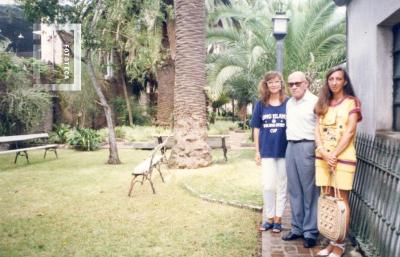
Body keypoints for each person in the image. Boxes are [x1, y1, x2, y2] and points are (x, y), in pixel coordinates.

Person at [314, 67, 362, 257]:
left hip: (343, 158)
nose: (334, 82)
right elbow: (316, 130)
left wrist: (333, 154)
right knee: (327, 199)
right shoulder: (323, 103)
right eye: (331, 79)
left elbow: (350, 131)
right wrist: (324, 153)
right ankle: (330, 241)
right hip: (324, 158)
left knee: (341, 200)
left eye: (338, 79)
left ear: (345, 82)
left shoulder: (352, 103)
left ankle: (339, 245)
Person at [282, 71, 319, 248]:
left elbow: (321, 127)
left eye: (297, 83)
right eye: (291, 84)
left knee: (309, 191)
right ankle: (297, 228)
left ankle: (310, 231)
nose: (294, 87)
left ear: (306, 84)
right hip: (291, 147)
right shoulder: (289, 103)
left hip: (307, 147)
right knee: (294, 190)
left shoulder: (315, 101)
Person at [250, 71, 289, 233]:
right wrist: (257, 151)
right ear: (266, 85)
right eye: (270, 82)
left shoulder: (289, 103)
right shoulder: (261, 104)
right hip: (266, 151)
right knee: (268, 185)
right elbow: (256, 129)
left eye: (276, 81)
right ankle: (270, 218)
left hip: (285, 151)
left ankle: (278, 219)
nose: (274, 85)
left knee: (282, 185)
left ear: (281, 83)